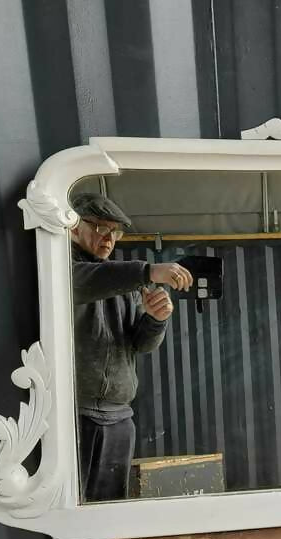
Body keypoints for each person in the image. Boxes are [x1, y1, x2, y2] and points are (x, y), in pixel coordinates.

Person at [69, 193, 193, 501]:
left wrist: (156, 319)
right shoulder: (62, 269)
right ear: (73, 227)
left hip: (119, 417)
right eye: (100, 227)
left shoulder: (124, 283)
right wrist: (148, 271)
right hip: (75, 416)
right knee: (72, 507)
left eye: (115, 231)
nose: (109, 238)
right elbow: (77, 282)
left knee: (111, 508)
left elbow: (140, 344)